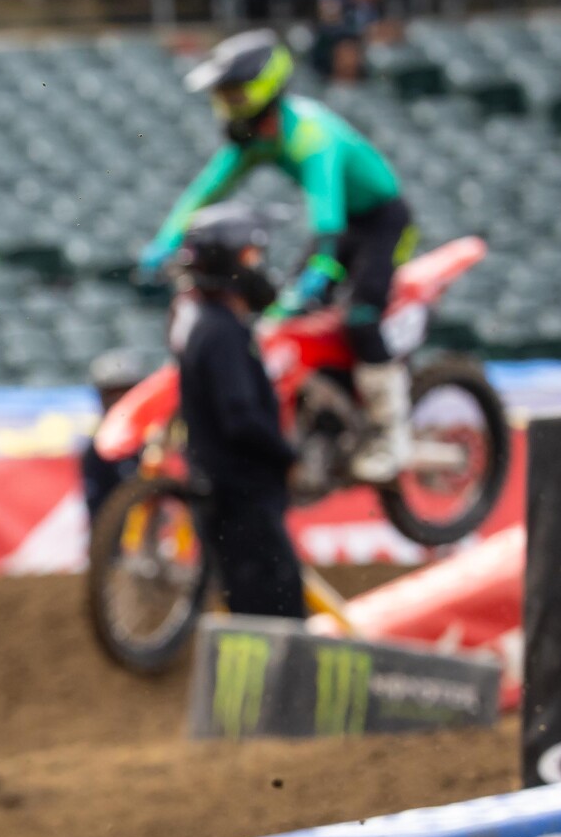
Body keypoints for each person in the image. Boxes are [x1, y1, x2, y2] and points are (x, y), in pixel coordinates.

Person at [138, 30, 418, 482]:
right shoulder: (255, 140)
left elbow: (326, 213)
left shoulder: (311, 133)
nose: (226, 104)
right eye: (221, 95)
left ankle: (391, 434)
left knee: (361, 317)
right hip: (339, 226)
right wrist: (167, 241)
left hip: (379, 221)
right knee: (283, 314)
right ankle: (326, 412)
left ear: (261, 88)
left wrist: (323, 266)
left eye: (232, 92)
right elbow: (205, 192)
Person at [166, 204, 305, 621]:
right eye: (250, 255)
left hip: (230, 505)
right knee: (277, 623)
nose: (258, 265)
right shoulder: (221, 331)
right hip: (242, 504)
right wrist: (288, 455)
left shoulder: (207, 324)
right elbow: (240, 418)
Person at [80, 350, 144, 518]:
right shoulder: (98, 448)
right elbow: (97, 509)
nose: (119, 400)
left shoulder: (157, 437)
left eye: (125, 392)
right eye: (112, 394)